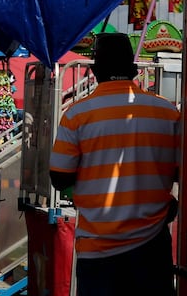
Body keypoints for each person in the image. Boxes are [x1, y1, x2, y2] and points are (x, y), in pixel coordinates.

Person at [49, 32, 179, 296]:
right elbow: (181, 172)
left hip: (99, 250)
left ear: (96, 72)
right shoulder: (167, 112)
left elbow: (60, 178)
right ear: (132, 70)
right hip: (152, 245)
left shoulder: (76, 115)